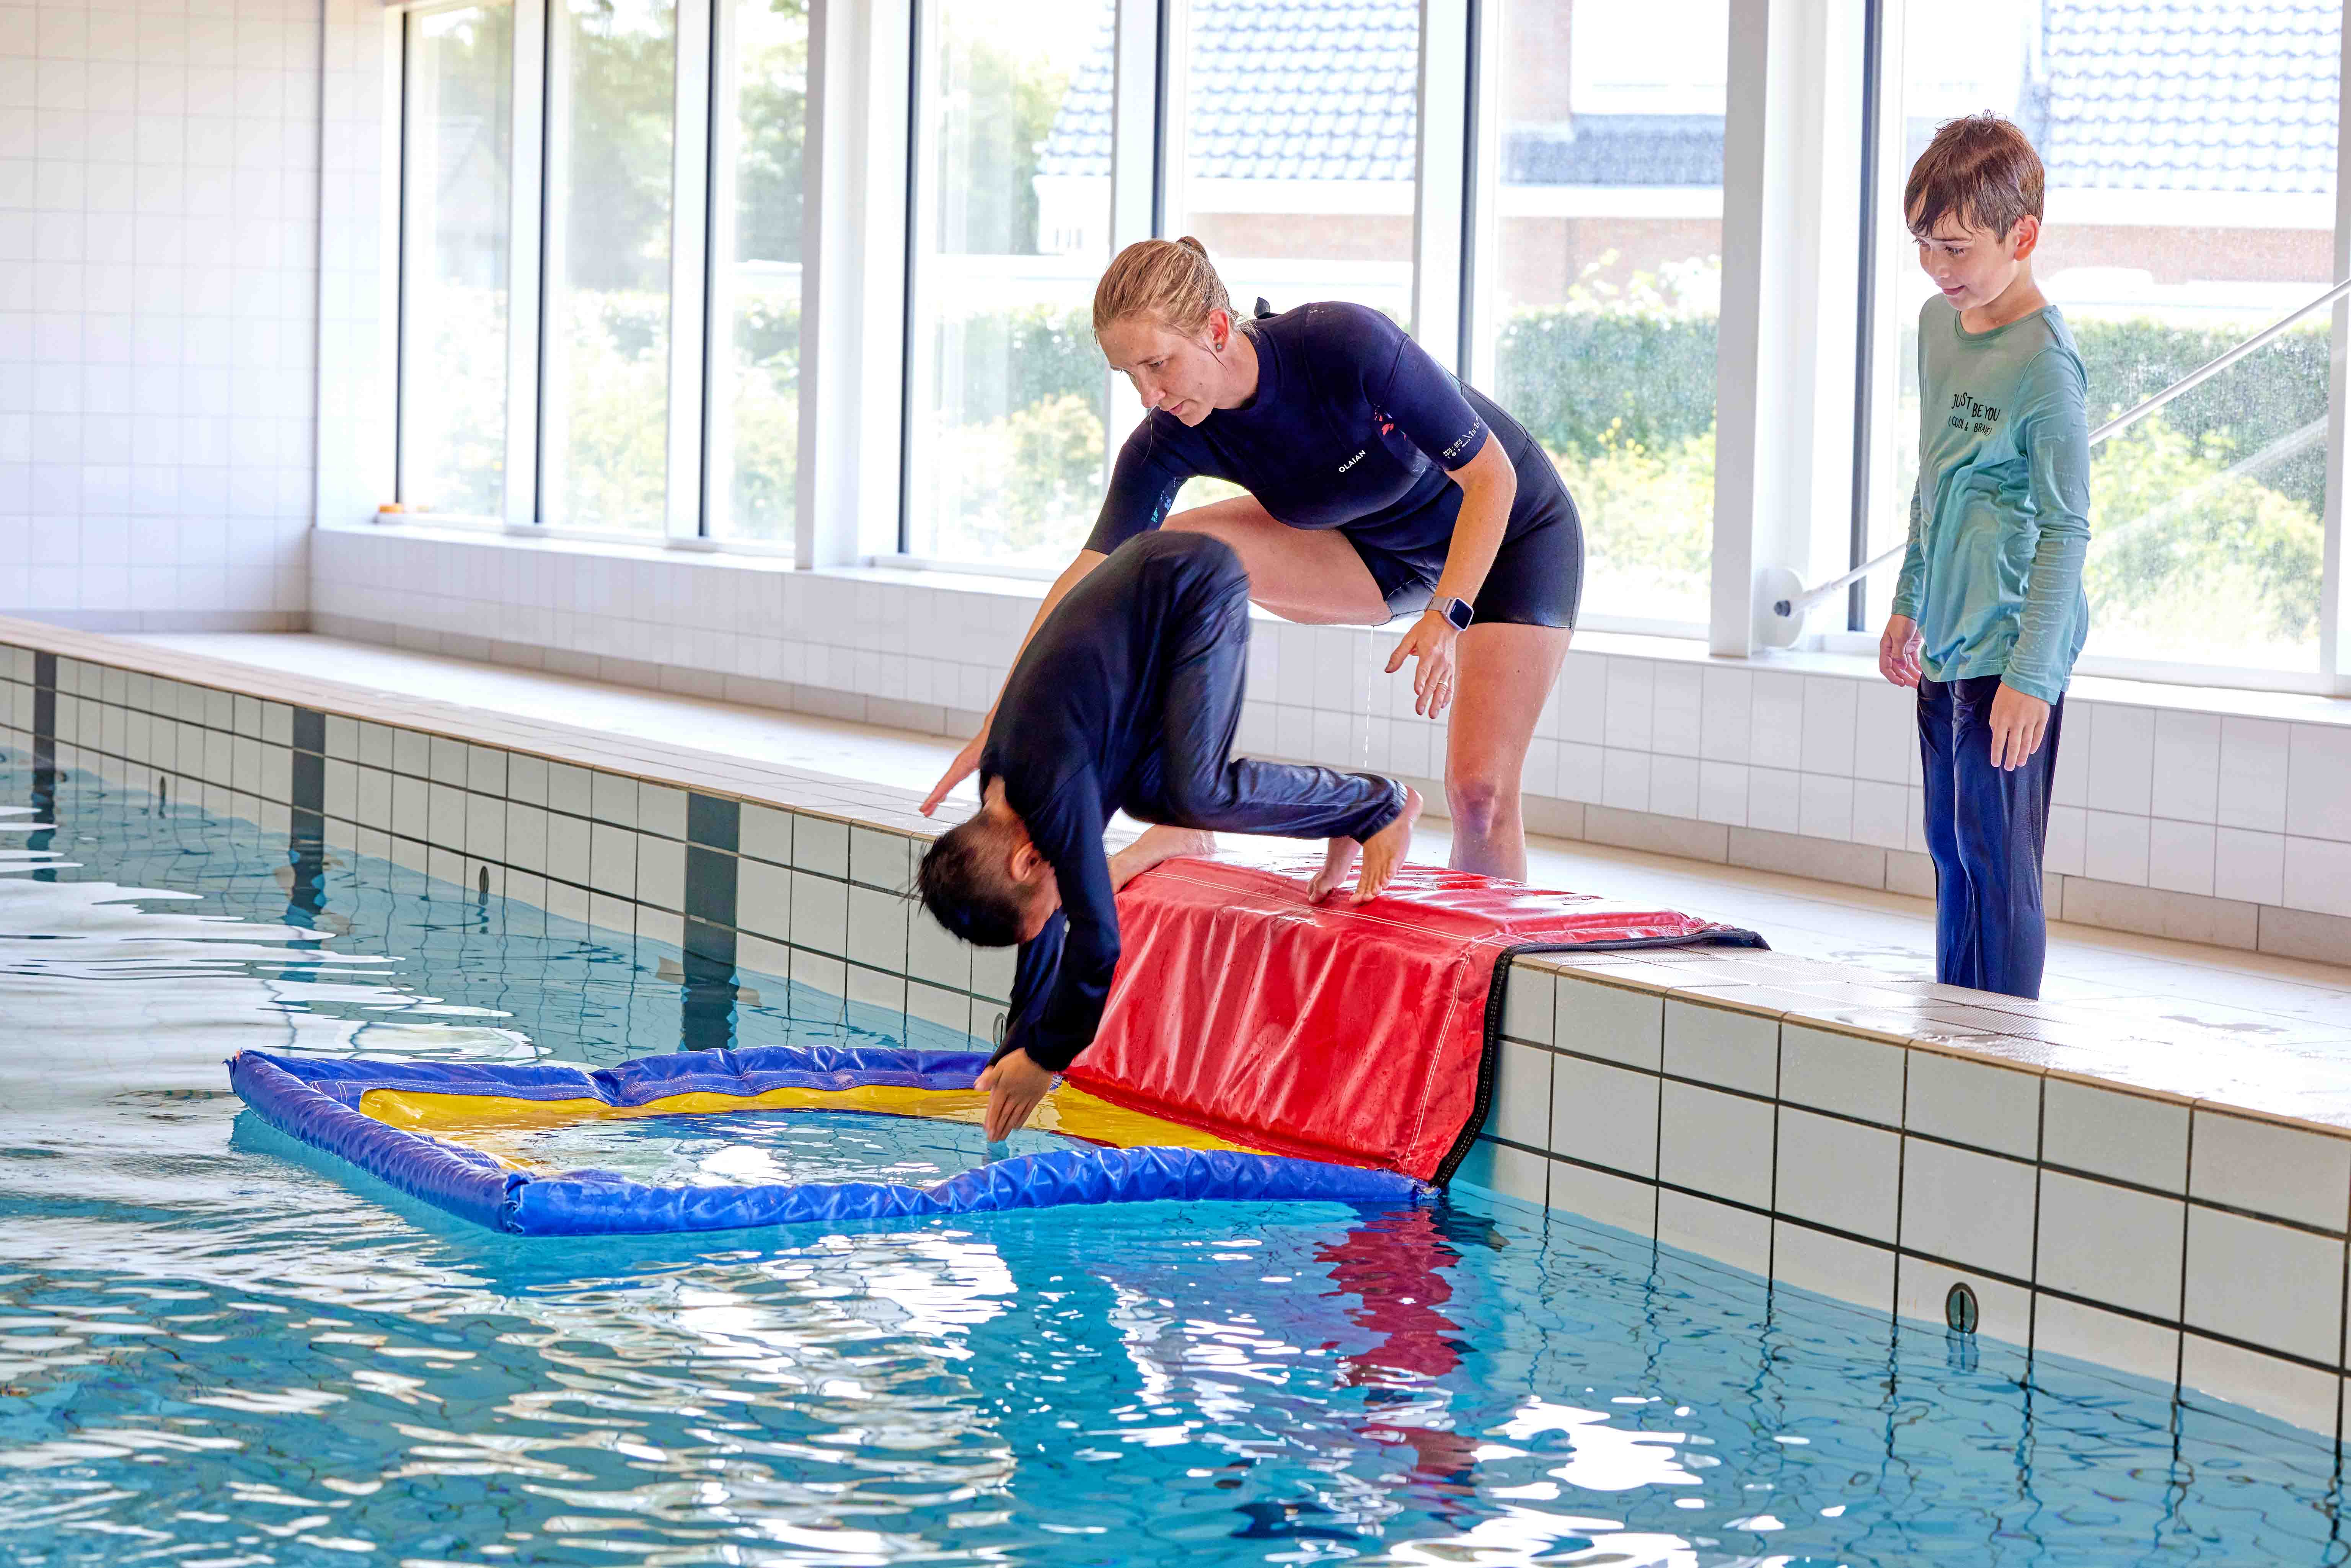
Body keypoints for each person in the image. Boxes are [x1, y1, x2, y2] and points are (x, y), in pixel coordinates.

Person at [920, 236, 1582, 883]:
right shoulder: (1170, 436)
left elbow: (1493, 479)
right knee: (1163, 559)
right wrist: (999, 724)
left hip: (1515, 540)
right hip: (1380, 560)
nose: (1148, 396)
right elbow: (1089, 574)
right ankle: (1186, 810)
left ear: (1213, 328)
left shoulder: (1343, 345)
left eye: (1157, 365)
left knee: (1480, 793)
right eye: (1129, 376)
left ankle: (1484, 969)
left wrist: (1449, 611)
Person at [917, 530, 1422, 1139]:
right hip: (1146, 621)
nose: (1063, 900)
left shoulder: (1048, 791)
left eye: (1050, 899)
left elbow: (1098, 938)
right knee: (1158, 795)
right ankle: (1344, 811)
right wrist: (1017, 1043)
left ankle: (1379, 805)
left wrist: (1046, 1060)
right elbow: (1048, 925)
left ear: (1026, 863)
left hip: (1191, 583)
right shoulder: (1005, 800)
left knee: (1197, 792)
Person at [1878, 113, 2090, 1000]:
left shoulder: (2046, 365)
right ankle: (1957, 1037)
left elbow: (2068, 528)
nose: (1938, 268)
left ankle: (2005, 1052)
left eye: (1957, 248)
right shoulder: (1938, 325)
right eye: (1925, 245)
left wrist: (2034, 677)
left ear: (2023, 236)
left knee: (1999, 862)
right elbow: (1936, 482)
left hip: (2011, 648)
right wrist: (1906, 600)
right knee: (1948, 845)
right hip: (1949, 636)